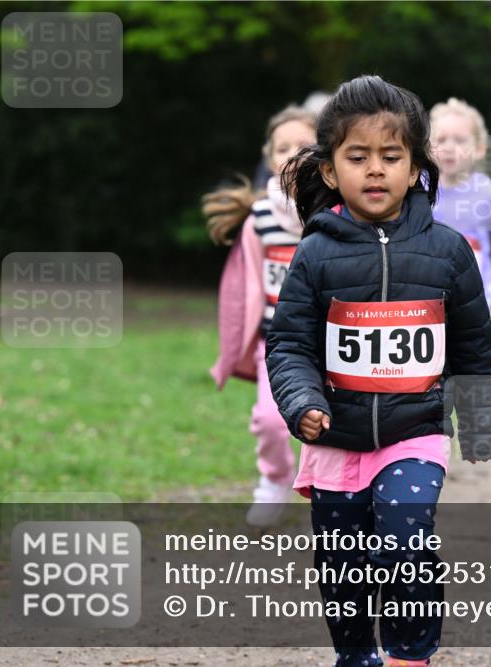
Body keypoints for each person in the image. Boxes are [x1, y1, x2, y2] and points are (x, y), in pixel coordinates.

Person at [266, 75, 491, 667]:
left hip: (414, 433)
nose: (375, 170)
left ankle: (409, 652)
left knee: (404, 543)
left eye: (391, 156)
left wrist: (477, 421)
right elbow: (290, 342)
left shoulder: (449, 253)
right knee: (344, 570)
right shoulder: (315, 253)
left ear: (417, 166)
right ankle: (356, 656)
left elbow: (473, 344)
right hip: (334, 438)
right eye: (358, 157)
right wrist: (301, 404)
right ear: (329, 170)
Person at [205, 104, 317, 527]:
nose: (292, 154)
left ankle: (325, 491)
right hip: (277, 345)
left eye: (303, 145)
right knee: (272, 420)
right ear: (270, 158)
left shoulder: (338, 213)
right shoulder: (260, 220)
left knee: (325, 423)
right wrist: (237, 345)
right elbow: (241, 285)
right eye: (282, 147)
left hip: (329, 344)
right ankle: (275, 478)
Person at [430, 97, 491, 312]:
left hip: (477, 298)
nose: (449, 147)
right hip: (427, 296)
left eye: (460, 140)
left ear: (479, 149)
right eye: (441, 139)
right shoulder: (417, 190)